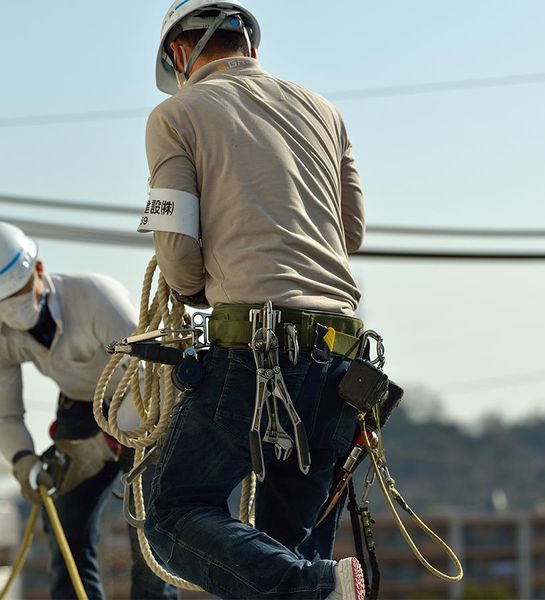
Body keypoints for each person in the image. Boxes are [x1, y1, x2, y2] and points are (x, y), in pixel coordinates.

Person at [138, 1, 368, 598]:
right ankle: (322, 587)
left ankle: (318, 588)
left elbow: (179, 254)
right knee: (282, 547)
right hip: (341, 360)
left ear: (180, 55)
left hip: (256, 355)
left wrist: (194, 285)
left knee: (173, 513)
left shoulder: (175, 114)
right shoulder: (325, 111)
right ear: (251, 46)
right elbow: (351, 234)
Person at [0, 221, 177, 600]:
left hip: (140, 402)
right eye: (1, 302)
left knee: (148, 542)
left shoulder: (96, 299)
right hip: (80, 407)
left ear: (39, 270)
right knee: (64, 527)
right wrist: (24, 460)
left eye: (17, 291)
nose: (12, 307)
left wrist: (109, 441)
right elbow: (5, 415)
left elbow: (144, 375)